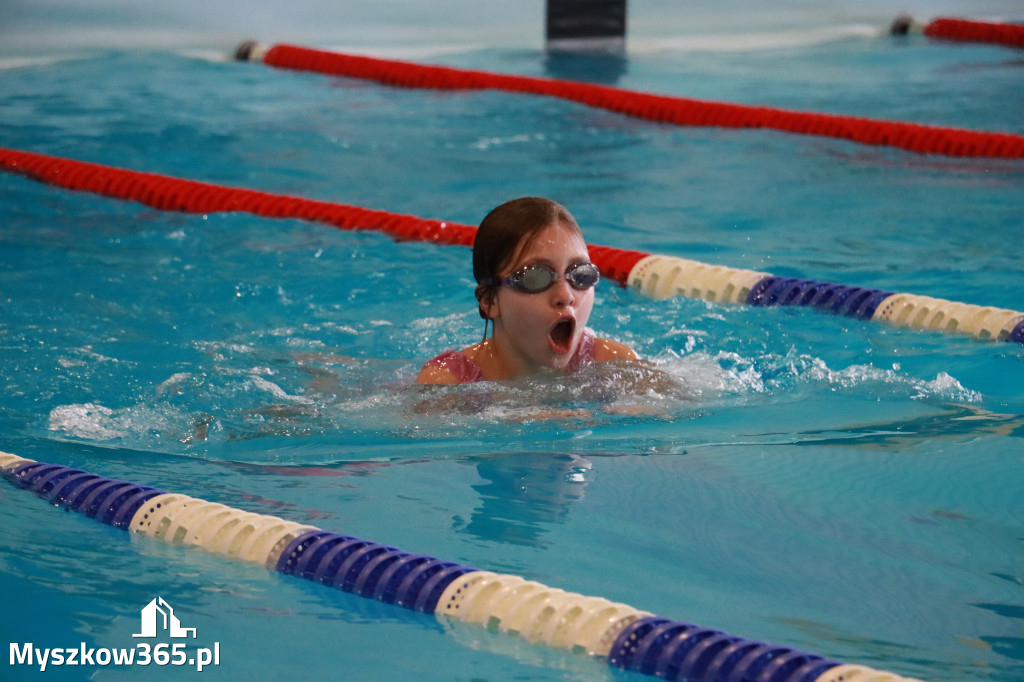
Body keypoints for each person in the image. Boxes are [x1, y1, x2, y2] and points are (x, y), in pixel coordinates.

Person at [416, 197, 638, 385]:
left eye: (580, 275)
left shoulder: (614, 365)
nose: (566, 296)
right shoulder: (449, 381)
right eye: (535, 277)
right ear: (489, 301)